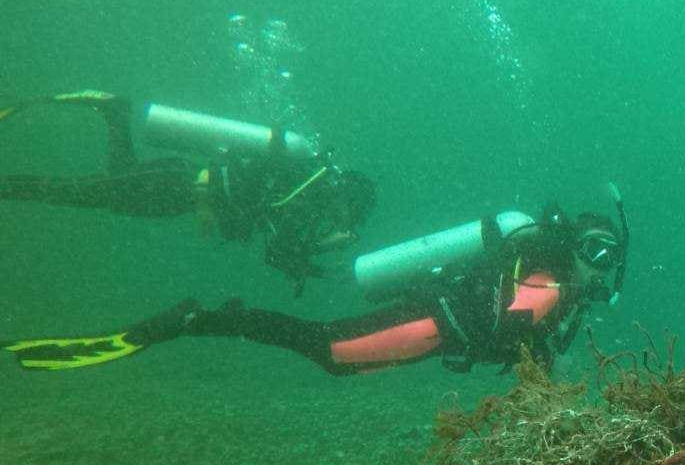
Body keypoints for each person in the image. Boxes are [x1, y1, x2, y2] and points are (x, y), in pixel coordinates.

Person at [4, 198, 629, 376]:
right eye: (597, 253)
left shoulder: (547, 277)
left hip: (435, 325)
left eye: (608, 257)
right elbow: (515, 325)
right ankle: (197, 318)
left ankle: (210, 317)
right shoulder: (548, 282)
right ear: (575, 245)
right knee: (328, 351)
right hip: (433, 325)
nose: (601, 268)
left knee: (330, 353)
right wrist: (544, 352)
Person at [0, 90, 377, 291]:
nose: (342, 221)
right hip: (178, 186)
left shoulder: (302, 191)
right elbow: (280, 252)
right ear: (345, 198)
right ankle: (112, 112)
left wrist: (318, 255)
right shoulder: (301, 191)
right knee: (81, 192)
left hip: (176, 187)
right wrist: (324, 265)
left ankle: (114, 112)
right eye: (349, 213)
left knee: (100, 189)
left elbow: (279, 246)